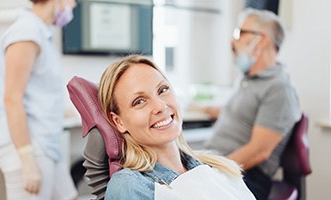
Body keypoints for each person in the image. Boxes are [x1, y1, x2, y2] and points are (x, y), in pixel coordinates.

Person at [97, 55, 256, 200]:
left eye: (162, 90)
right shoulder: (129, 186)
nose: (160, 105)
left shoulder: (219, 168)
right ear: (119, 122)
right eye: (139, 101)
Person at [203, 9, 301, 200]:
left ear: (261, 40)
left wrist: (209, 172)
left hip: (245, 176)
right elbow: (241, 114)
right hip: (219, 164)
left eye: (239, 33)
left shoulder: (279, 88)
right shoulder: (247, 78)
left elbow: (258, 152)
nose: (233, 41)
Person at [0, 0, 78, 199]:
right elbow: (12, 98)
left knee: (69, 195)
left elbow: (36, 90)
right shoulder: (26, 33)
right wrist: (26, 159)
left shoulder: (41, 33)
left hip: (46, 142)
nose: (74, 5)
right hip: (28, 145)